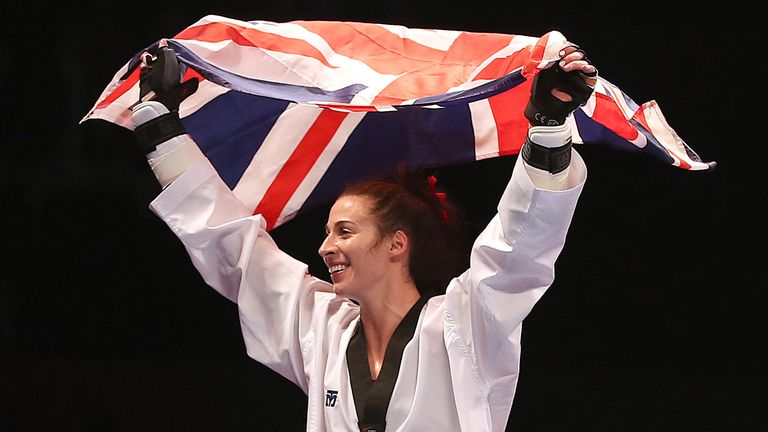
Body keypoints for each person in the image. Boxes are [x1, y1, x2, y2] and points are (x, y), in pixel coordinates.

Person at [129, 42, 596, 431]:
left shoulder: (462, 323)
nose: (325, 247)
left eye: (345, 232)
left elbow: (519, 249)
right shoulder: (321, 329)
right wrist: (160, 129)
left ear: (397, 243)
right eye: (328, 232)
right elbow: (234, 247)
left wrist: (550, 130)